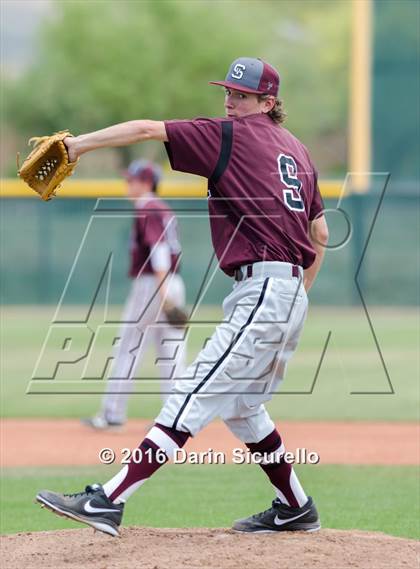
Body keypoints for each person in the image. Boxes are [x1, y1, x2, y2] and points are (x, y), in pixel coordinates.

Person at [36, 57, 329, 537]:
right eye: (228, 92)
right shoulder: (299, 151)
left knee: (191, 390)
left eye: (242, 95)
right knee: (243, 408)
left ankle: (109, 499)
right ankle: (295, 505)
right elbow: (321, 231)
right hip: (285, 292)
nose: (230, 101)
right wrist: (298, 293)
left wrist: (77, 145)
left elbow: (148, 128)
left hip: (265, 291)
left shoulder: (229, 135)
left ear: (268, 102)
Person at [82, 159, 187, 430]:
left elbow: (159, 251)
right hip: (172, 282)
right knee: (172, 351)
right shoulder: (161, 208)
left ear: (146, 183)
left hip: (154, 283)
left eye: (132, 180)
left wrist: (163, 294)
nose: (127, 184)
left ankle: (112, 414)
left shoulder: (149, 207)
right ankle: (177, 419)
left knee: (129, 346)